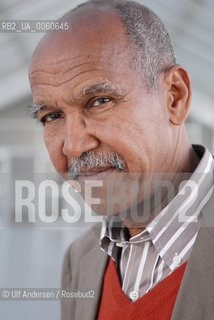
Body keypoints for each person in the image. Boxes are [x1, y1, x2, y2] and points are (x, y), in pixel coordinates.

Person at [28, 0, 214, 319]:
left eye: (100, 101)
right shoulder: (81, 260)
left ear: (174, 97)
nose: (74, 145)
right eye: (52, 116)